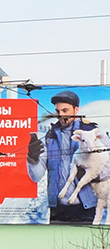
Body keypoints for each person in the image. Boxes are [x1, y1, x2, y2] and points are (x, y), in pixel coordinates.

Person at [27, 90, 98, 223]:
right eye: (58, 111)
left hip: (85, 208)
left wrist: (92, 172)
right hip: (58, 209)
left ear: (76, 109)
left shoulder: (90, 133)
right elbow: (36, 176)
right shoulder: (49, 137)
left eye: (65, 110)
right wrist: (32, 158)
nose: (61, 115)